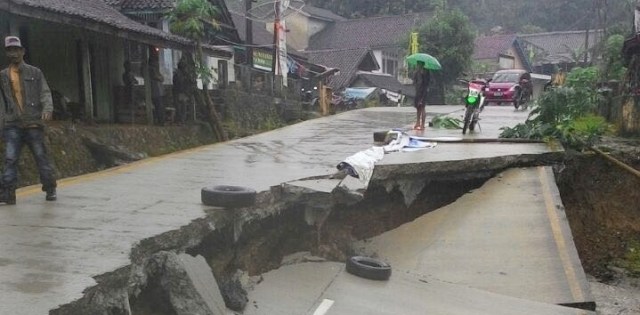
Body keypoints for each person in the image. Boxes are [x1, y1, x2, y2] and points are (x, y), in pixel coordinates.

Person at [0, 36, 57, 204]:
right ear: (6, 53)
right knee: (10, 158)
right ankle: (8, 193)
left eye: (16, 50)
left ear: (22, 51)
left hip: (33, 123)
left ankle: (50, 188)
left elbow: (44, 92)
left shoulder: (35, 72)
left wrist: (47, 109)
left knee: (41, 157)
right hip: (12, 124)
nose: (13, 53)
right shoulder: (2, 76)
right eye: (10, 50)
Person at [412, 60, 430, 130]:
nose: (418, 65)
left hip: (423, 91)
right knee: (418, 107)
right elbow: (414, 81)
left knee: (422, 107)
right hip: (419, 91)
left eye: (418, 64)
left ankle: (422, 124)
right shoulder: (417, 72)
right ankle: (418, 123)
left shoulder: (426, 72)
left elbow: (427, 82)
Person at [148, 50, 165, 125]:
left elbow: (162, 78)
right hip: (155, 92)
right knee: (158, 107)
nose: (157, 63)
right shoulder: (151, 69)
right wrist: (159, 77)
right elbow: (157, 77)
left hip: (159, 92)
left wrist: (159, 77)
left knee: (160, 107)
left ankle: (161, 121)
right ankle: (160, 121)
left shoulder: (156, 70)